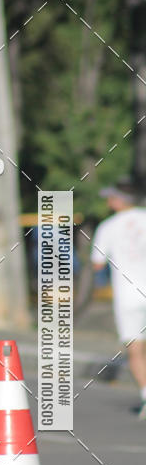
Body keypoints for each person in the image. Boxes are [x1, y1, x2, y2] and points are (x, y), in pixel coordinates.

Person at [91, 179, 146, 417]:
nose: (108, 201)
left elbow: (97, 263)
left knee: (135, 350)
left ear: (118, 200)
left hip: (127, 296)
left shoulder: (107, 227)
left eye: (110, 197)